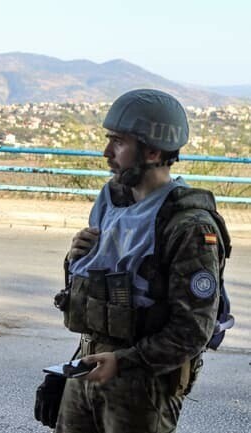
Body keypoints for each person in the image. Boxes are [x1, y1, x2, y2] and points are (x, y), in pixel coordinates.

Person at [50, 89, 231, 433]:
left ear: (152, 150)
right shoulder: (113, 204)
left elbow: (192, 330)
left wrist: (124, 361)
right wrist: (75, 258)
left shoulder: (188, 225)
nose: (107, 153)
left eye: (118, 143)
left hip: (142, 384)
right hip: (88, 362)